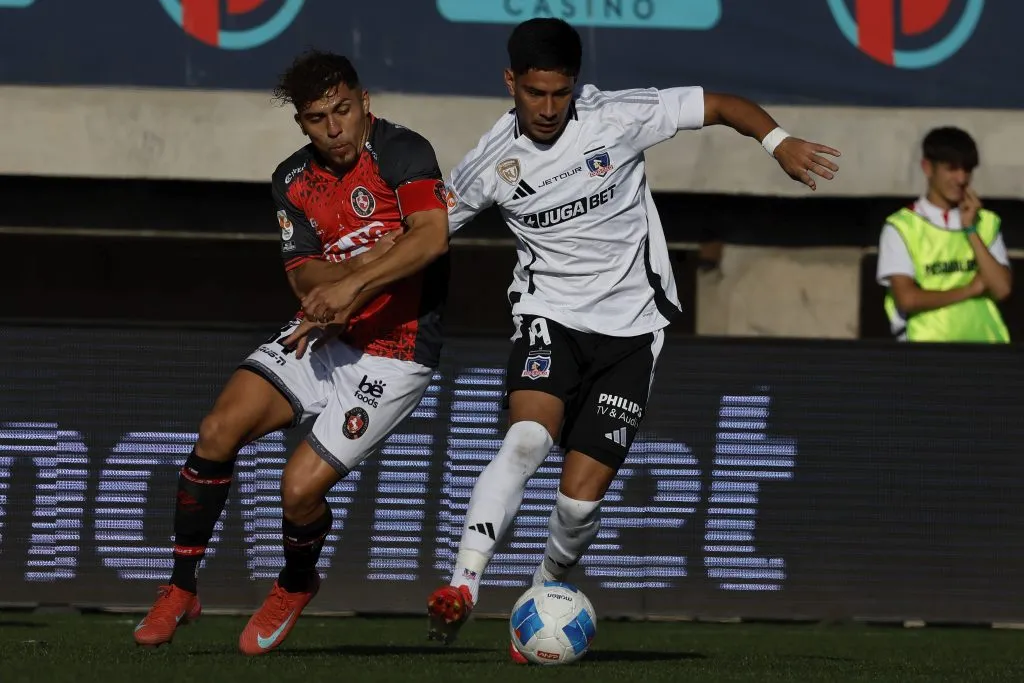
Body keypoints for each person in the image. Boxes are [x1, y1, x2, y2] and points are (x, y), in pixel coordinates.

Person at [417, 17, 842, 655]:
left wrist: (776, 141)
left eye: (561, 93)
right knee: (528, 438)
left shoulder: (617, 116)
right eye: (535, 93)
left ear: (576, 85)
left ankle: (541, 594)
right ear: (511, 82)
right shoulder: (487, 164)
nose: (549, 108)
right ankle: (463, 586)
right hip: (550, 316)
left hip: (633, 331)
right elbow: (424, 236)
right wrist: (354, 280)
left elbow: (721, 105)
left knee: (580, 503)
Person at [131, 49, 451, 655]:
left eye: (342, 111)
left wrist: (354, 279)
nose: (334, 130)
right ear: (300, 124)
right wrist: (359, 270)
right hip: (321, 334)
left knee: (298, 491)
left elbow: (431, 237)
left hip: (395, 353)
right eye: (316, 119)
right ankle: (180, 588)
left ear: (363, 104)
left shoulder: (405, 151)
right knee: (218, 429)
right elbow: (304, 279)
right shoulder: (291, 180)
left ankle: (296, 583)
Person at [877, 126, 1012, 342]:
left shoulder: (985, 222)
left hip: (987, 350)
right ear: (927, 168)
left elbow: (1002, 288)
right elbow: (907, 299)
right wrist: (970, 290)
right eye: (952, 168)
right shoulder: (901, 226)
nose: (961, 178)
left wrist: (971, 230)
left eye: (967, 169)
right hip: (926, 354)